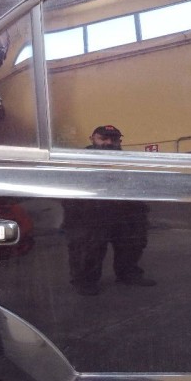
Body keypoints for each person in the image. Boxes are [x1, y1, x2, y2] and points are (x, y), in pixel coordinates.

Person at [62, 126, 156, 296]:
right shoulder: (78, 160)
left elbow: (139, 184)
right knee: (88, 248)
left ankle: (128, 274)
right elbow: (69, 189)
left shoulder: (128, 161)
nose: (108, 142)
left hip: (124, 211)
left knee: (132, 244)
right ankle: (85, 282)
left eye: (113, 139)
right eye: (103, 138)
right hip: (91, 212)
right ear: (92, 139)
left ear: (120, 141)